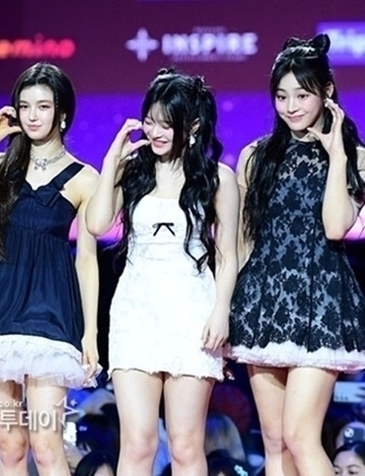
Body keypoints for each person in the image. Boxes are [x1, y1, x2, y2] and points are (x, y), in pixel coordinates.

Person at [0, 61, 100, 475]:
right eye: (25, 106)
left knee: (47, 445)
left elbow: (86, 259)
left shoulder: (84, 178)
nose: (32, 116)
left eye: (43, 106)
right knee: (10, 444)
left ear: (62, 114)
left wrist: (90, 332)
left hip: (49, 313)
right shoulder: (4, 165)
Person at [86, 69, 239, 475]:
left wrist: (221, 311)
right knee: (137, 443)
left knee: (185, 445)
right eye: (149, 121)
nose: (154, 132)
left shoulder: (217, 178)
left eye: (165, 124)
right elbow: (97, 223)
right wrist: (111, 161)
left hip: (191, 315)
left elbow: (227, 255)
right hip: (136, 313)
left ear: (193, 126)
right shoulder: (134, 170)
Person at [228, 33, 365, 476]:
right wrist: (227, 307)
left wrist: (336, 154)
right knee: (274, 442)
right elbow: (243, 242)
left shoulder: (355, 157)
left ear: (327, 93)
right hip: (264, 303)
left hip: (319, 304)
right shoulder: (255, 157)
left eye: (302, 95)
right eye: (282, 96)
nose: (290, 107)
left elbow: (335, 226)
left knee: (301, 436)